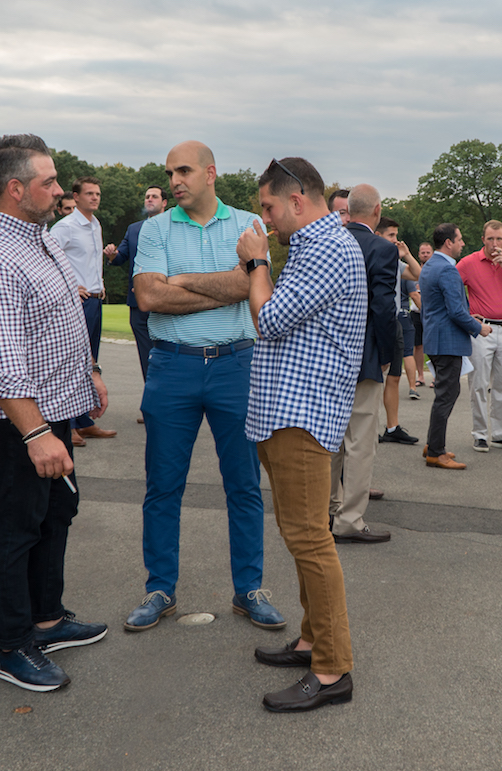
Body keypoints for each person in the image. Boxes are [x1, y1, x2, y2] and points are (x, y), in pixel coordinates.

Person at [0, 134, 109, 692]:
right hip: (10, 420)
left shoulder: (36, 238)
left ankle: (46, 620)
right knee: (16, 526)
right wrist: (37, 433)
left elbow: (61, 316)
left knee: (54, 512)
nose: (61, 190)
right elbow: (1, 360)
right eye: (50, 181)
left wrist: (88, 371)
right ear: (16, 189)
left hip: (49, 409)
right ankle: (12, 645)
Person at [124, 141, 285, 635]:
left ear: (210, 173)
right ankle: (159, 589)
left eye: (184, 171)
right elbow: (148, 296)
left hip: (236, 365)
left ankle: (249, 589)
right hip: (172, 366)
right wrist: (222, 284)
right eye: (170, 172)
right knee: (162, 485)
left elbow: (247, 287)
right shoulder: (154, 228)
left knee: (244, 484)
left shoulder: (248, 225)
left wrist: (181, 281)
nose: (175, 181)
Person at [240, 156, 364, 713]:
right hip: (288, 413)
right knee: (302, 535)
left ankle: (332, 669)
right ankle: (314, 640)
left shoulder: (327, 249)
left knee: (310, 539)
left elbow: (268, 318)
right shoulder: (317, 246)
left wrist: (255, 263)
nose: (265, 219)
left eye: (268, 207)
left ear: (296, 200)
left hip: (302, 416)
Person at [328, 184, 395, 545]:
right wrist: (385, 354)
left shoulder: (330, 243)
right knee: (360, 441)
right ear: (377, 211)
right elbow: (383, 307)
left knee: (332, 439)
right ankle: (350, 519)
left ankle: (329, 506)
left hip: (328, 353)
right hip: (364, 353)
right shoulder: (381, 248)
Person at [419, 223, 492, 470]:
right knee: (446, 396)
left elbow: (441, 307)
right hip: (447, 342)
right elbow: (455, 312)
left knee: (444, 395)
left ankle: (433, 444)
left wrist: (470, 318)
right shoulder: (447, 269)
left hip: (436, 339)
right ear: (448, 242)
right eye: (459, 239)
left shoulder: (430, 265)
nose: (463, 243)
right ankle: (435, 452)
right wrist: (478, 327)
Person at [50, 176, 117, 446]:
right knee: (73, 362)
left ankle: (84, 421)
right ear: (75, 197)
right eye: (89, 193)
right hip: (76, 302)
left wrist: (99, 285)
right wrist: (69, 287)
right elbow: (45, 259)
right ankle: (68, 426)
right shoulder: (64, 227)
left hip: (95, 300)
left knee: (91, 361)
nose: (95, 198)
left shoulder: (95, 224)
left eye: (97, 193)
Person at [457, 221, 502, 453]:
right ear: (483, 239)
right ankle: (480, 434)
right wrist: (466, 314)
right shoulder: (469, 263)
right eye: (490, 239)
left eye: (499, 239)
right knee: (479, 384)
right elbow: (451, 288)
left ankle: (501, 434)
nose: (494, 244)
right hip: (482, 329)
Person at [105, 185, 166, 405]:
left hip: (167, 303)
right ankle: (152, 405)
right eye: (147, 196)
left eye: (154, 196)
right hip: (138, 304)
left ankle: (171, 404)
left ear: (164, 203)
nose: (149, 199)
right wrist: (112, 255)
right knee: (146, 355)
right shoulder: (134, 229)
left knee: (168, 355)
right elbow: (120, 257)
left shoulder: (174, 228)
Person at [376, 216, 422, 446]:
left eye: (396, 235)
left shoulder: (394, 261)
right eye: (391, 235)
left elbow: (417, 274)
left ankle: (392, 427)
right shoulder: (370, 258)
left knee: (394, 377)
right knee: (373, 379)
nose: (396, 240)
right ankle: (367, 428)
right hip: (376, 323)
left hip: (394, 323)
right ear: (378, 236)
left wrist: (406, 255)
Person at [410, 242, 433, 388]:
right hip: (416, 313)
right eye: (422, 252)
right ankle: (420, 376)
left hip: (432, 313)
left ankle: (436, 376)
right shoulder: (413, 271)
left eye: (428, 252)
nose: (425, 255)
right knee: (417, 346)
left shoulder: (435, 270)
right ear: (418, 254)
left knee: (433, 345)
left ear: (432, 254)